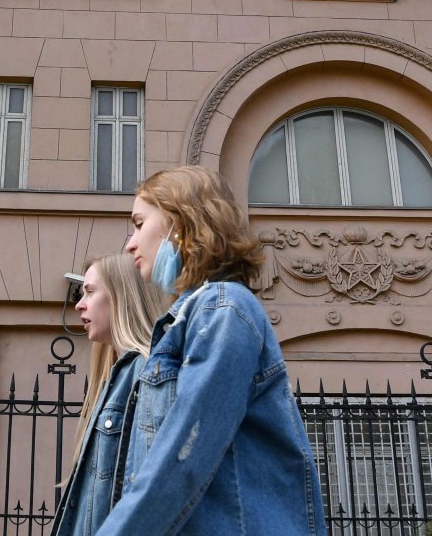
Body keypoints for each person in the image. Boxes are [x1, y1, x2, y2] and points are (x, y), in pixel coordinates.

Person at [96, 165, 326, 535]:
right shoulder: (194, 314)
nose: (130, 243)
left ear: (181, 224)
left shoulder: (222, 307)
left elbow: (184, 452)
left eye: (139, 224)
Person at [50, 252, 173, 536]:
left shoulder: (147, 374)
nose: (79, 304)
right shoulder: (116, 377)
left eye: (90, 292)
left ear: (121, 297)